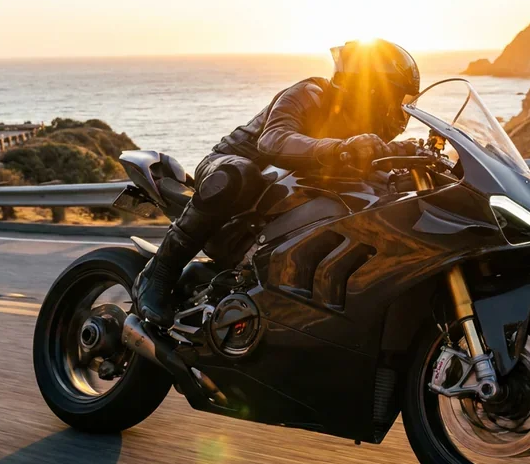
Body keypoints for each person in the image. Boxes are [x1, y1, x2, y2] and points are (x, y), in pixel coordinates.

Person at [133, 39, 422, 326]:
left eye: (407, 101)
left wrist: (410, 154)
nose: (400, 109)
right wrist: (339, 148)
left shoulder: (365, 128)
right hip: (228, 168)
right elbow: (273, 140)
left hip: (280, 195)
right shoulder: (311, 93)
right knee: (238, 175)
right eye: (397, 97)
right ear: (369, 87)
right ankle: (159, 272)